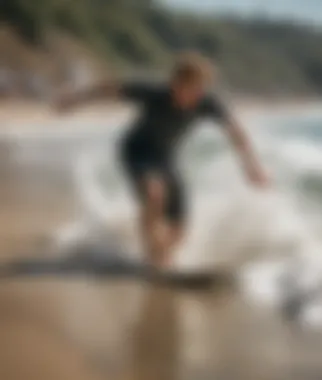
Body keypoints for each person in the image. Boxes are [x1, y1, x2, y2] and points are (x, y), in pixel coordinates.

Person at [56, 52, 269, 271]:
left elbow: (236, 132)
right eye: (186, 88)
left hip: (166, 157)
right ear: (174, 83)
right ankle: (154, 259)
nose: (190, 96)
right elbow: (109, 88)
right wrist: (74, 100)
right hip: (137, 151)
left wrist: (252, 167)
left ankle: (163, 255)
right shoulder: (155, 94)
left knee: (179, 230)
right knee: (154, 193)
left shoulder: (208, 103)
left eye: (197, 90)